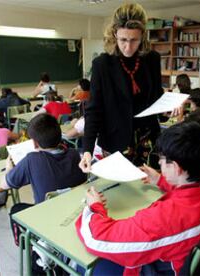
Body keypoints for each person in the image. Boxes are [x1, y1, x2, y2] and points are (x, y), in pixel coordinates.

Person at [75, 122, 200, 275]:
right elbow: (192, 196)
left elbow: (97, 240)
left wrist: (94, 207)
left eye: (162, 159)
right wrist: (161, 180)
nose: (158, 162)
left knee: (82, 265)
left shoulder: (164, 219)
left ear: (176, 168)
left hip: (162, 269)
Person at [80, 3, 165, 171]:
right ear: (114, 35)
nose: (128, 47)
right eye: (123, 40)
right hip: (114, 141)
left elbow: (157, 98)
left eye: (134, 40)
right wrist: (87, 150)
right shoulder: (102, 64)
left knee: (149, 189)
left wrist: (168, 108)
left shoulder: (152, 59)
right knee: (119, 191)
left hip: (147, 138)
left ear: (143, 36)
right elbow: (94, 109)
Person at [0, 113, 86, 204]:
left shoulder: (31, 160)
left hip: (45, 213)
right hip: (74, 208)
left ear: (34, 144)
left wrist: (8, 169)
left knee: (16, 208)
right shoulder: (75, 154)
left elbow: (4, 185)